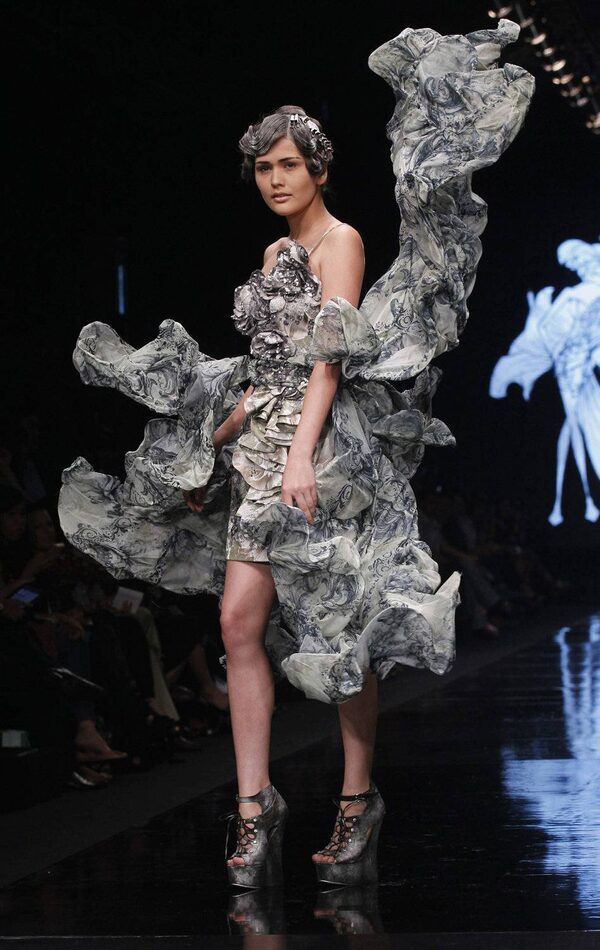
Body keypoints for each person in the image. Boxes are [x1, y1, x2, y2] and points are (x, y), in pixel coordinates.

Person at [58, 20, 534, 888]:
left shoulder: (340, 242)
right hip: (259, 449)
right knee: (238, 623)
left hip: (324, 453)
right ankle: (254, 807)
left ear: (318, 169)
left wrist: (303, 456)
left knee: (342, 629)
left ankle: (356, 798)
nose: (274, 179)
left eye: (288, 164)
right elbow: (267, 366)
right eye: (263, 168)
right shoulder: (276, 250)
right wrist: (217, 440)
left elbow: (327, 360)